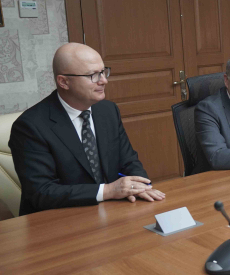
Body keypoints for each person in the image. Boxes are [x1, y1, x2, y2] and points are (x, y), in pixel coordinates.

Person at [9, 43, 163, 216]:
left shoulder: (108, 110)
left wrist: (141, 187)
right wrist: (108, 191)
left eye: (103, 72)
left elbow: (129, 161)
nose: (103, 80)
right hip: (58, 218)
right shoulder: (30, 126)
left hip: (112, 211)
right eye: (93, 75)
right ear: (64, 82)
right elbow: (42, 192)